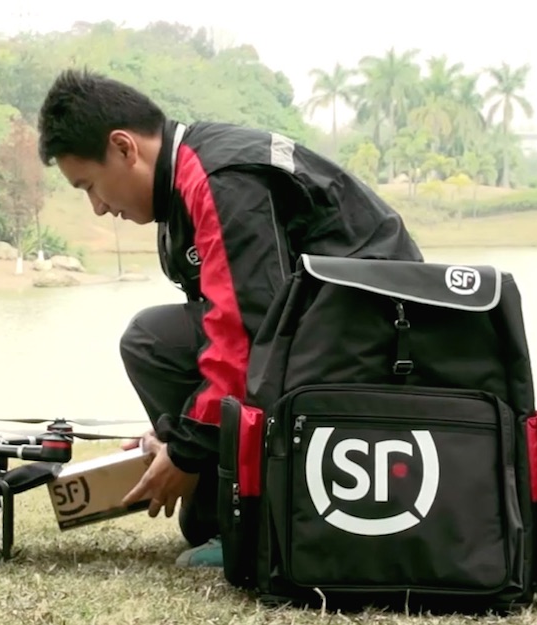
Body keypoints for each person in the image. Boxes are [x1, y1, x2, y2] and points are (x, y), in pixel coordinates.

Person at [36, 69, 424, 566]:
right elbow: (224, 325)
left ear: (124, 147)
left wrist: (188, 448)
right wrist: (174, 433)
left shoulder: (220, 180)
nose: (96, 207)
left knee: (150, 340)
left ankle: (260, 525)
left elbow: (249, 330)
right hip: (320, 330)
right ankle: (234, 512)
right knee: (197, 516)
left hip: (371, 340)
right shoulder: (183, 185)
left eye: (89, 185)